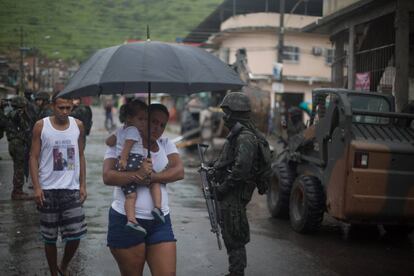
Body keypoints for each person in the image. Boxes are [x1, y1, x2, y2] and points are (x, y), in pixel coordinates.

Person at [103, 103, 184, 276]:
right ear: (143, 120)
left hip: (160, 221)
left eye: (162, 125)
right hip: (126, 220)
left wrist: (152, 177)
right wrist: (137, 175)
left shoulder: (166, 143)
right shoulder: (121, 142)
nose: (158, 128)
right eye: (153, 121)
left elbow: (179, 171)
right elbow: (108, 177)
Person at [29, 92, 87, 276]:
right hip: (48, 189)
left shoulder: (78, 126)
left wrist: (83, 185)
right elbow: (33, 157)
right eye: (60, 107)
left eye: (68, 108)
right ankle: (54, 272)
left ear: (72, 107)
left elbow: (81, 155)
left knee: (76, 235)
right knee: (50, 237)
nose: (64, 111)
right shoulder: (41, 126)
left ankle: (63, 265)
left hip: (71, 189)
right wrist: (37, 187)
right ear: (53, 106)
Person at [211, 92, 263, 276]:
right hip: (231, 191)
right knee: (230, 231)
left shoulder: (245, 137)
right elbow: (230, 161)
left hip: (235, 193)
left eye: (227, 112)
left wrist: (223, 187)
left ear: (236, 113)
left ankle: (237, 272)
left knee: (234, 234)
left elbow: (241, 169)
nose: (224, 117)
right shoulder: (238, 134)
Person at [105, 99, 165, 236]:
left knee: (131, 196)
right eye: (141, 119)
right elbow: (128, 146)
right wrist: (125, 158)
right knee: (154, 180)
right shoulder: (133, 130)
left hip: (122, 165)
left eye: (145, 119)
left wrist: (119, 153)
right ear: (129, 118)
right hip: (133, 160)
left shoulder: (120, 130)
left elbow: (109, 142)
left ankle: (131, 220)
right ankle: (157, 207)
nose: (144, 123)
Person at [6, 96, 35, 200]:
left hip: (12, 143)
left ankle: (17, 190)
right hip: (18, 144)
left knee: (17, 166)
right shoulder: (18, 114)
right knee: (19, 168)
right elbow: (25, 128)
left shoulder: (9, 113)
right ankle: (17, 192)